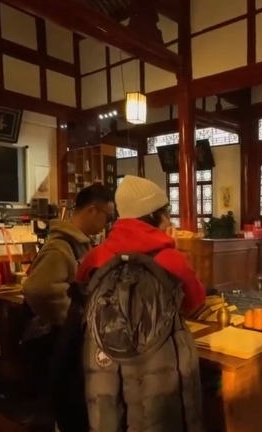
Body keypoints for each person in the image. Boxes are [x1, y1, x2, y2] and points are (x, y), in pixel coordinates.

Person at [71, 175, 205, 431]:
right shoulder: (171, 259)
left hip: (103, 369)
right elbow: (195, 302)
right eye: (165, 213)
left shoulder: (94, 258)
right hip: (158, 371)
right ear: (152, 216)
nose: (169, 221)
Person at [23, 184, 115, 328]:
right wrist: (72, 318)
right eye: (108, 217)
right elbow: (37, 289)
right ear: (92, 211)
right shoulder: (60, 247)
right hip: (59, 337)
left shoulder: (79, 244)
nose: (107, 224)